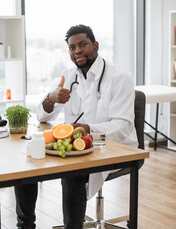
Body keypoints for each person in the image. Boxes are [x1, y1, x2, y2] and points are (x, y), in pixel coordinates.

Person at [14, 24, 138, 229]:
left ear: (95, 45)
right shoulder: (68, 76)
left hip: (115, 147)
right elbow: (42, 116)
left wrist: (87, 128)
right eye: (72, 48)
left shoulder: (119, 78)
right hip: (78, 145)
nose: (77, 51)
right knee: (30, 162)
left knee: (73, 173)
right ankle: (25, 226)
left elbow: (123, 126)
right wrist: (50, 98)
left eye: (83, 45)